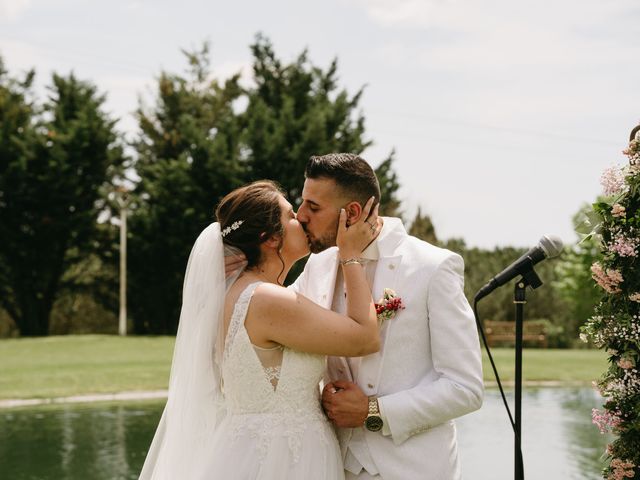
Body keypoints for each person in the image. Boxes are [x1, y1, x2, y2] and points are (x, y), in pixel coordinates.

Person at [139, 180, 381, 480]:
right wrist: (351, 254)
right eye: (291, 216)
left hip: (252, 448)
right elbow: (365, 338)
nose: (302, 219)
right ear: (269, 239)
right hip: (283, 461)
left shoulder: (241, 295)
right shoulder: (265, 300)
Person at [290, 153, 484, 480]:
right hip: (332, 465)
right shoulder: (318, 265)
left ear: (351, 213)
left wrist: (372, 411)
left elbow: (465, 388)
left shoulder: (433, 267)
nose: (300, 215)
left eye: (313, 206)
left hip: (413, 470)